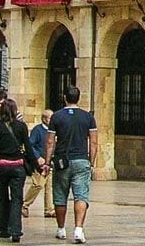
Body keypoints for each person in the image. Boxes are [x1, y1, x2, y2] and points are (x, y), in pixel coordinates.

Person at [46, 86, 98, 244]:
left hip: (63, 161)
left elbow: (50, 142)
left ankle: (61, 229)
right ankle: (78, 229)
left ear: (65, 98)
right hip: (82, 159)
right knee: (81, 195)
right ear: (78, 98)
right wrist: (92, 162)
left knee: (60, 195)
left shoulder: (56, 116)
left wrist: (47, 162)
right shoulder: (87, 117)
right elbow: (94, 142)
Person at [0, 98, 39, 243]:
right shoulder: (21, 126)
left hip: (1, 166)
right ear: (15, 111)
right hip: (17, 166)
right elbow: (28, 148)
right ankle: (16, 231)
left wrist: (0, 151)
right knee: (17, 198)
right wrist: (37, 166)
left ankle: (4, 229)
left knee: (2, 197)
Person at [22, 109, 56, 219]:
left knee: (49, 187)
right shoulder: (38, 130)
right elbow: (30, 145)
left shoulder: (54, 130)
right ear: (44, 118)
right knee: (38, 184)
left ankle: (49, 209)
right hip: (40, 163)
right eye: (50, 118)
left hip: (50, 161)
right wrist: (37, 157)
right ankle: (25, 204)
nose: (52, 120)